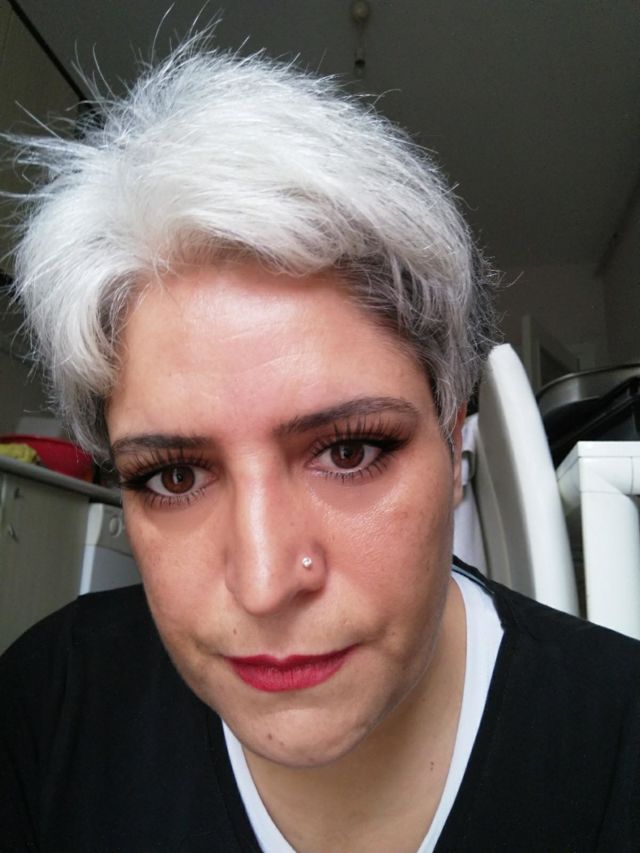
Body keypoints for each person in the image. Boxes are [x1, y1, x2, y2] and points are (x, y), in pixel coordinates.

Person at [1, 37, 639, 853]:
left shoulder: (618, 745)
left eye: (348, 452)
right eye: (176, 474)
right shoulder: (49, 710)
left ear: (454, 441)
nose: (265, 583)